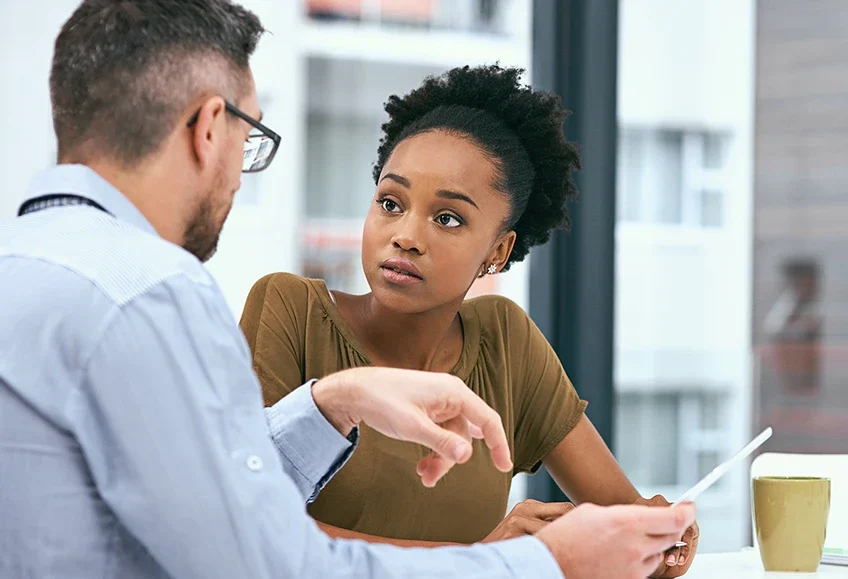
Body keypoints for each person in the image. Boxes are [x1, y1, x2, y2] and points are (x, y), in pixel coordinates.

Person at [0, 1, 696, 578]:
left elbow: (200, 498)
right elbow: (267, 561)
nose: (243, 174)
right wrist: (534, 562)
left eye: (447, 217)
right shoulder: (146, 294)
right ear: (211, 127)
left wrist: (327, 402)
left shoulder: (30, 269)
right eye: (250, 136)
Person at [240, 65, 699, 578]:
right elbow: (250, 534)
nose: (406, 235)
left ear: (497, 251)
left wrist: (659, 539)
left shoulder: (505, 341)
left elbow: (621, 515)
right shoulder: (290, 312)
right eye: (390, 203)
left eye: (448, 218)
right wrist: (490, 560)